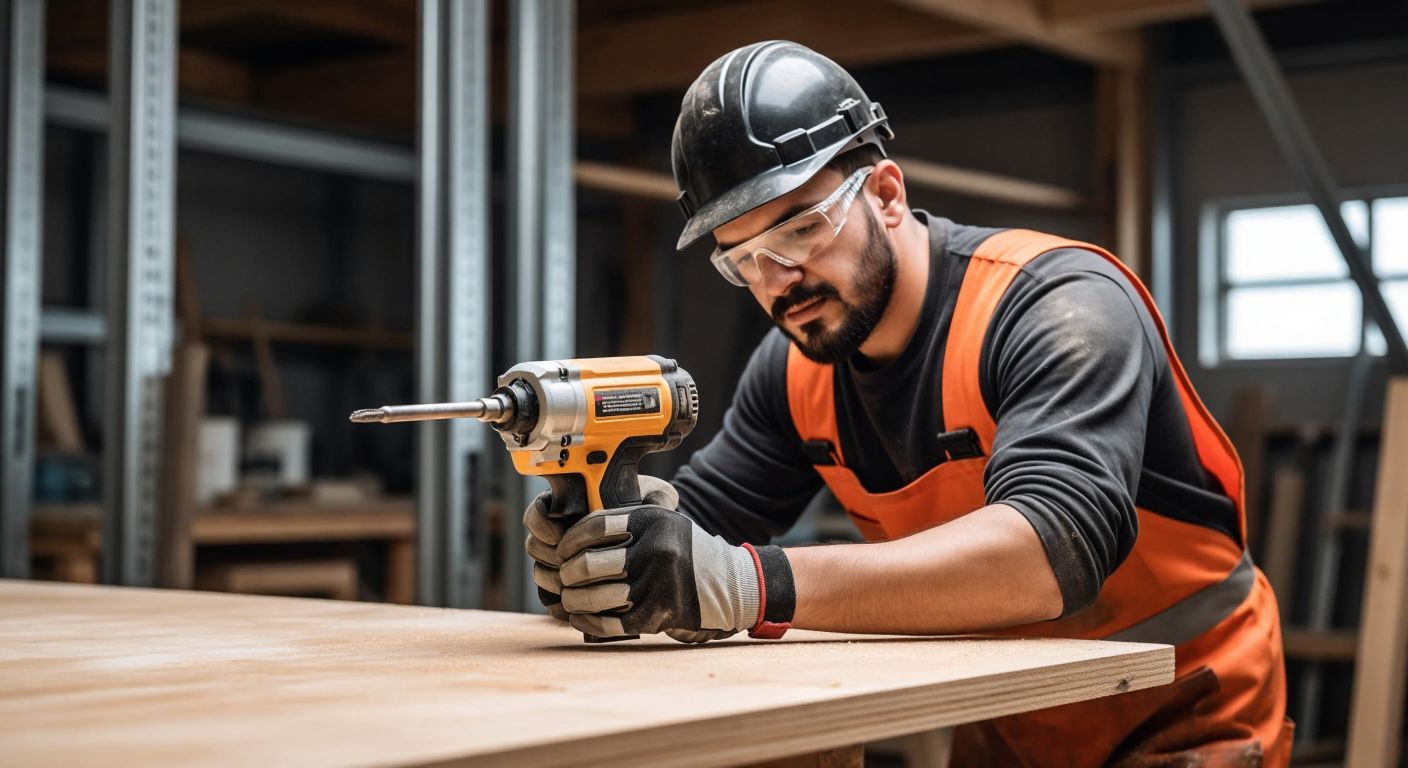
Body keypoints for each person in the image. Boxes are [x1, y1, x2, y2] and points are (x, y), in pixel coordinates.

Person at [524, 40, 1291, 765]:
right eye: (745, 259)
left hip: (1185, 701)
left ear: (886, 194)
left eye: (801, 228)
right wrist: (615, 543)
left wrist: (753, 585)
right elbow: (706, 527)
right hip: (1012, 714)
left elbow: (1051, 554)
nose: (779, 279)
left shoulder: (1059, 307)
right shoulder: (795, 370)